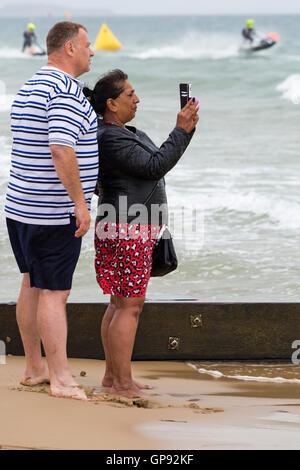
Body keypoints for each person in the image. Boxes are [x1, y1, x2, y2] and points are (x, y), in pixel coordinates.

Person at [83, 69, 199, 398]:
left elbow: (159, 160)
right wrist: (180, 130)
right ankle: (121, 383)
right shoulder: (110, 136)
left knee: (119, 303)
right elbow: (153, 167)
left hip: (128, 224)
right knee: (129, 305)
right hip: (127, 227)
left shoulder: (125, 132)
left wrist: (185, 131)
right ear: (111, 104)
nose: (137, 99)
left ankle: (113, 377)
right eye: (129, 95)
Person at [5, 21, 98, 400]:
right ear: (70, 48)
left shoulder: (30, 86)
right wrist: (80, 204)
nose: (93, 51)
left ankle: (33, 368)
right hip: (52, 211)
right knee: (54, 293)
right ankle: (61, 378)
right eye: (88, 45)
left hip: (20, 207)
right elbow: (61, 148)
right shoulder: (64, 91)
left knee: (32, 282)